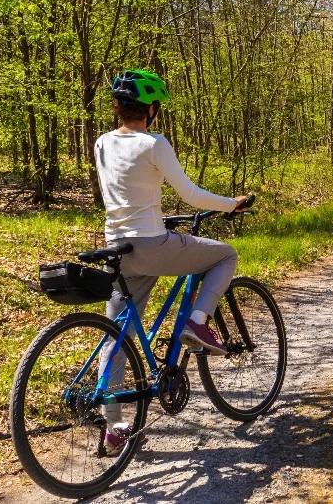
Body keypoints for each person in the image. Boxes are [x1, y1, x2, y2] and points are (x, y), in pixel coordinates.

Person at [95, 69, 252, 453]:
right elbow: (191, 194)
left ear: (118, 107)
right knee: (225, 255)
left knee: (116, 335)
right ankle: (196, 324)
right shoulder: (154, 143)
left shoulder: (101, 143)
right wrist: (230, 204)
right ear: (150, 108)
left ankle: (113, 427)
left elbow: (125, 195)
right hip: (152, 245)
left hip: (117, 248)